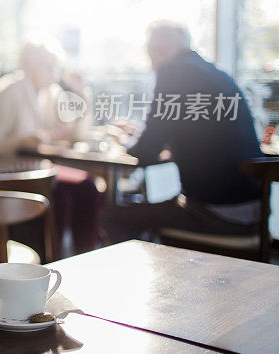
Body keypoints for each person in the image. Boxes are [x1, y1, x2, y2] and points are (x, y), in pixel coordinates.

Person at [100, 22, 263, 243]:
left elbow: (147, 150)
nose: (150, 67)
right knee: (156, 208)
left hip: (218, 213)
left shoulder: (173, 72)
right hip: (254, 211)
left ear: (157, 52)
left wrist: (124, 140)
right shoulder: (215, 72)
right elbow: (199, 133)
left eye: (150, 57)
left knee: (112, 216)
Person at [0, 37, 102, 254]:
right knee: (60, 199)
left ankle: (86, 255)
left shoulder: (50, 94)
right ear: (27, 66)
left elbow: (77, 134)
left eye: (55, 65)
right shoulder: (10, 92)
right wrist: (20, 142)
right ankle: (52, 261)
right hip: (8, 175)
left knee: (87, 187)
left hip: (39, 174)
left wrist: (83, 94)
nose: (53, 71)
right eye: (47, 65)